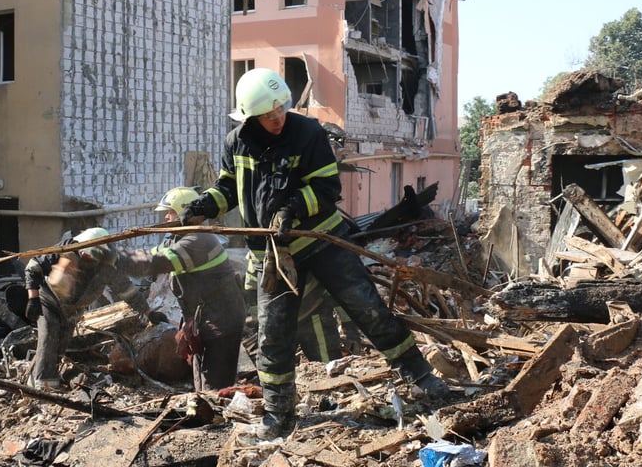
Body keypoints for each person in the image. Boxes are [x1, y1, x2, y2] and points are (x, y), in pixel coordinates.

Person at [179, 67, 451, 440]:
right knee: (272, 335)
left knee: (368, 308)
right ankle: (279, 417)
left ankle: (422, 377)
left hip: (320, 241)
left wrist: (293, 208)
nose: (277, 119)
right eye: (267, 115)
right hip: (272, 256)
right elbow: (229, 187)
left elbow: (327, 188)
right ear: (248, 116)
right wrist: (205, 205)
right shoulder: (235, 143)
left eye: (280, 110)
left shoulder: (308, 133)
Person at [116, 187, 246, 391]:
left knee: (215, 385)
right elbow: (151, 253)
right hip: (201, 318)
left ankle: (219, 418)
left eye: (170, 212)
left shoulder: (199, 240)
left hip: (221, 321)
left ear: (185, 212)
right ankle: (207, 408)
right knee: (200, 380)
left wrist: (114, 258)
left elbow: (154, 262)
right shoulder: (176, 239)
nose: (167, 218)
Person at [23, 227, 168, 390]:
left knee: (61, 343)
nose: (85, 256)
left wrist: (149, 313)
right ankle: (43, 384)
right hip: (49, 300)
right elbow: (32, 267)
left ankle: (48, 378)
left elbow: (126, 290)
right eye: (85, 253)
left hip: (73, 309)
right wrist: (33, 299)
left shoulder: (108, 264)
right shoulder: (65, 249)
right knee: (49, 335)